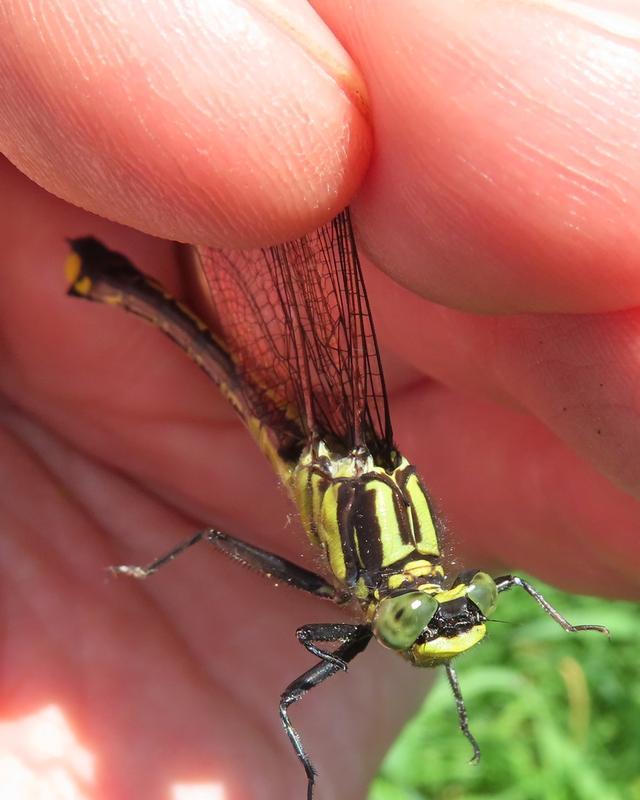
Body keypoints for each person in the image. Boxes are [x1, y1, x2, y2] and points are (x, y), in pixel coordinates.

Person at [1, 2, 639, 798]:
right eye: (448, 609)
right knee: (277, 150)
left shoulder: (401, 593)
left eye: (435, 616)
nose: (446, 618)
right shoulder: (380, 591)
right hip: (321, 429)